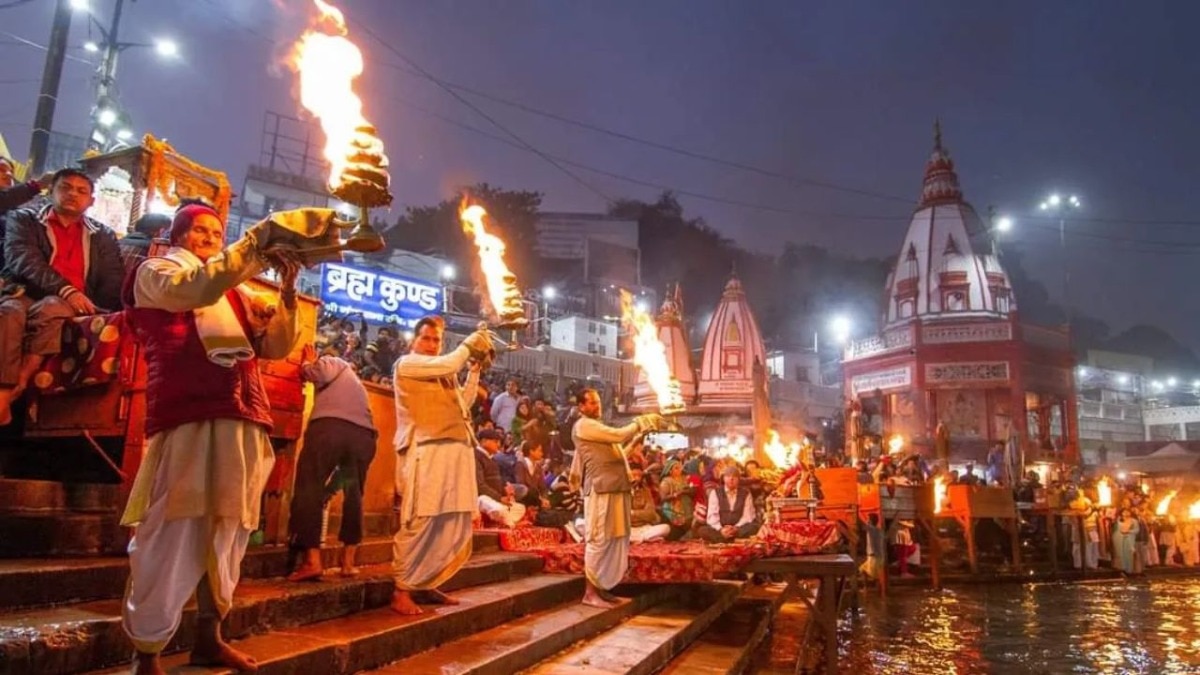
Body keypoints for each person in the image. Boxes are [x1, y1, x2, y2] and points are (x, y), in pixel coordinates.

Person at [119, 202, 314, 674]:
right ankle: (146, 653)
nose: (208, 237)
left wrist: (287, 292)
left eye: (216, 232)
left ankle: (210, 636)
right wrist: (255, 244)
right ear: (179, 234)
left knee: (230, 531)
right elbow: (195, 288)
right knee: (171, 530)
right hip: (188, 416)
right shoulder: (156, 271)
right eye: (199, 230)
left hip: (243, 417)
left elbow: (274, 347)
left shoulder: (236, 292)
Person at [0, 168, 124, 424]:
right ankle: (3, 396)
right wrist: (66, 289)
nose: (72, 194)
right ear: (51, 191)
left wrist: (102, 311)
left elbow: (112, 278)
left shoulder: (103, 235)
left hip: (71, 303)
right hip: (24, 291)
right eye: (65, 187)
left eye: (81, 191)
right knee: (9, 312)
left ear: (91, 201)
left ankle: (20, 383)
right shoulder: (25, 220)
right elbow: (22, 259)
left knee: (53, 308)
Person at [390, 315, 492, 615]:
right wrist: (468, 345)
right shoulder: (407, 364)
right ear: (414, 340)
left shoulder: (442, 371)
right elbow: (449, 362)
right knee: (422, 519)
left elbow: (464, 403)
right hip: (426, 451)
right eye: (426, 338)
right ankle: (401, 590)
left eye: (436, 340)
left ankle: (426, 580)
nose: (432, 345)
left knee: (449, 519)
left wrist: (475, 370)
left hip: (454, 451)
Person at [568, 388, 663, 608]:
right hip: (601, 490)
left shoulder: (598, 428)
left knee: (614, 539)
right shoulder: (584, 425)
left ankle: (603, 589)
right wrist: (640, 422)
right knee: (599, 540)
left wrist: (640, 435)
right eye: (591, 403)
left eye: (598, 401)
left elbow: (619, 453)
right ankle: (589, 593)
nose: (596, 406)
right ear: (581, 407)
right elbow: (618, 435)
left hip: (616, 489)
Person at [287, 354, 378, 582]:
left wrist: (306, 364)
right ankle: (348, 563)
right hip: (363, 435)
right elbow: (343, 477)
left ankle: (312, 561)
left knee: (309, 487)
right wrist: (330, 490)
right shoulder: (357, 386)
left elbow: (322, 372)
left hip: (329, 429)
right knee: (354, 492)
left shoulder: (335, 361)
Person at [475, 428, 527, 528]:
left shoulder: (492, 459)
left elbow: (497, 479)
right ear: (484, 441)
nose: (498, 445)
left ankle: (507, 520)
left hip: (495, 497)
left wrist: (506, 487)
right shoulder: (476, 457)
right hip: (481, 497)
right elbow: (480, 485)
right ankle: (510, 524)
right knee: (498, 509)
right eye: (495, 442)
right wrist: (499, 498)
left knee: (520, 508)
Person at [694, 466, 761, 543]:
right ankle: (728, 538)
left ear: (739, 479)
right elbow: (712, 515)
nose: (731, 479)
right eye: (728, 476)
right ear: (724, 478)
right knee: (702, 530)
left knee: (755, 527)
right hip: (720, 528)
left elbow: (747, 516)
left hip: (738, 529)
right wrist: (721, 529)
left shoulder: (746, 493)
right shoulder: (715, 492)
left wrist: (736, 528)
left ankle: (723, 539)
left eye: (734, 477)